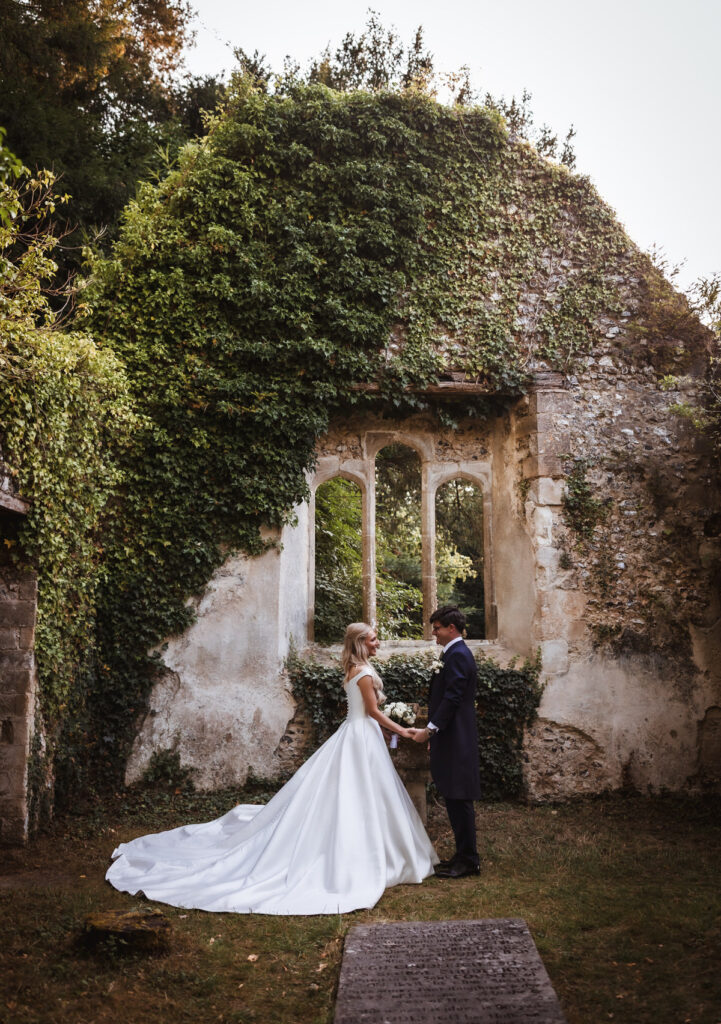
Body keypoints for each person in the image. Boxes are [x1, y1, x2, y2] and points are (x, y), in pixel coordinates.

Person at [106, 622, 438, 914]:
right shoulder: (364, 673)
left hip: (355, 735)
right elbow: (372, 713)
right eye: (374, 639)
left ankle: (367, 847)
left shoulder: (353, 670)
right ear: (360, 642)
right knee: (361, 793)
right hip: (361, 735)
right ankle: (368, 855)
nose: (377, 643)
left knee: (355, 794)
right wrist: (403, 729)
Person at [409, 604, 481, 878]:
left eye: (437, 628)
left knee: (459, 796)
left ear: (451, 628)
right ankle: (463, 855)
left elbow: (452, 698)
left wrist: (430, 729)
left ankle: (469, 860)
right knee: (453, 795)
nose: (433, 633)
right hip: (450, 735)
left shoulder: (459, 655)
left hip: (457, 735)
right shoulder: (452, 653)